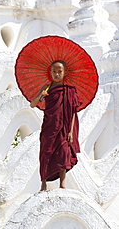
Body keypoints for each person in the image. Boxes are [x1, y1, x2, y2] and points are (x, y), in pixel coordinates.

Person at [30, 60, 82, 191]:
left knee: (63, 153)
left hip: (63, 128)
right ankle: (43, 183)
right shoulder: (46, 88)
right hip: (49, 126)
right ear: (50, 72)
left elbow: (73, 113)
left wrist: (71, 132)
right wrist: (40, 96)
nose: (56, 74)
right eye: (54, 71)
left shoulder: (69, 91)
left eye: (59, 71)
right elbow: (32, 104)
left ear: (65, 73)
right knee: (45, 152)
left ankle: (62, 184)